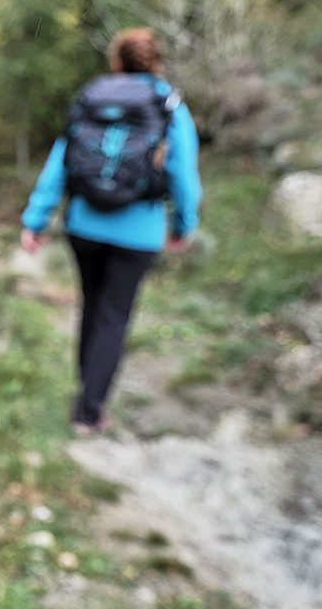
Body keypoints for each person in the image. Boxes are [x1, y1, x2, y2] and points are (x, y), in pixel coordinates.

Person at [19, 28, 201, 436]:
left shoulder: (92, 97)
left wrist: (36, 220)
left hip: (84, 224)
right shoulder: (168, 104)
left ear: (116, 60)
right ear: (156, 61)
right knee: (114, 317)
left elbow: (59, 162)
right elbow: (184, 177)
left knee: (92, 307)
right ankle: (89, 412)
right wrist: (183, 225)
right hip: (138, 231)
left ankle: (86, 391)